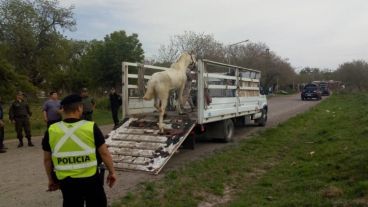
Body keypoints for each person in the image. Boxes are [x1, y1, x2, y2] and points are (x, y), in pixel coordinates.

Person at [42, 94, 117, 207]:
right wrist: (112, 172)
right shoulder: (91, 127)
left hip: (66, 181)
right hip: (90, 179)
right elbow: (104, 153)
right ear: (78, 108)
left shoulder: (52, 130)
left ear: (63, 110)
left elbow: (47, 159)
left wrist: (51, 179)